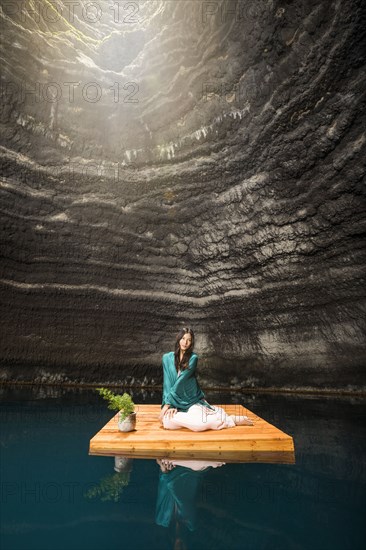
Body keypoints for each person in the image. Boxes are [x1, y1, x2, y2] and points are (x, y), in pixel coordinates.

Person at [159, 327, 254, 431]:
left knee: (200, 425)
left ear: (191, 343)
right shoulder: (167, 358)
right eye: (183, 338)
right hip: (175, 403)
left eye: (189, 340)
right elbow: (167, 385)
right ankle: (208, 420)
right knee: (167, 422)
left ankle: (229, 419)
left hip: (191, 400)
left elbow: (180, 382)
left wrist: (167, 404)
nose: (185, 342)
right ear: (178, 339)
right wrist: (170, 406)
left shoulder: (193, 358)